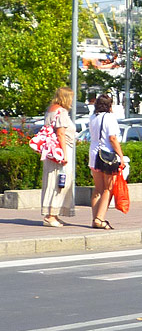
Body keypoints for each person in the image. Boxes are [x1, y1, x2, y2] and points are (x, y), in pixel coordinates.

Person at [41, 86, 75, 227]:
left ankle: (53, 214)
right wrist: (64, 155)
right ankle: (50, 216)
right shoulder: (61, 112)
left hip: (52, 152)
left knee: (53, 181)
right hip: (61, 151)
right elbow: (61, 133)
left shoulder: (50, 110)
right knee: (60, 182)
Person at [88, 94, 124, 230]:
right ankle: (100, 218)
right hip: (106, 156)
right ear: (109, 105)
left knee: (97, 189)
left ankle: (94, 218)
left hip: (93, 154)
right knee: (108, 189)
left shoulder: (93, 117)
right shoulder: (109, 118)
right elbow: (112, 138)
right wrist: (121, 156)